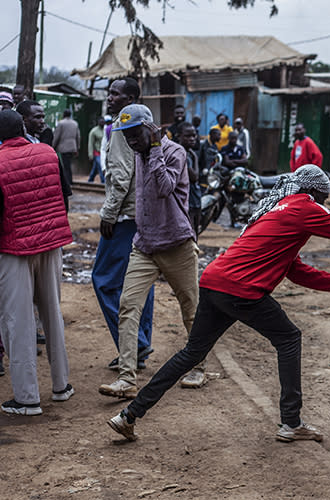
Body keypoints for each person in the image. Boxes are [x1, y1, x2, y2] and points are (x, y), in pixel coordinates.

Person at [106, 164, 330, 442]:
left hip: (214, 282)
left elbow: (298, 272)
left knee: (191, 353)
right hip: (241, 291)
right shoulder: (306, 207)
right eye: (326, 199)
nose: (325, 205)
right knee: (289, 338)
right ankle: (291, 423)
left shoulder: (276, 210)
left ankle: (130, 414)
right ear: (317, 193)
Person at [98, 103, 204, 400]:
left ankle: (199, 366)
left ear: (151, 128)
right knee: (128, 305)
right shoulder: (137, 153)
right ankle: (127, 378)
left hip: (177, 244)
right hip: (144, 245)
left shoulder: (174, 153)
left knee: (191, 309)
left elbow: (163, 187)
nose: (131, 141)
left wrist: (156, 148)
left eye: (135, 134)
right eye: (126, 136)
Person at [0, 109, 74, 415]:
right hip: (51, 244)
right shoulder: (48, 153)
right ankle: (61, 386)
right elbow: (65, 194)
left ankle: (28, 398)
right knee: (51, 313)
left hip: (14, 249)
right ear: (23, 129)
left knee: (18, 322)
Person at [92, 78, 156, 376]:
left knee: (104, 279)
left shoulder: (122, 126)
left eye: (115, 93)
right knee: (141, 282)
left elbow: (121, 175)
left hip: (124, 218)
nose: (109, 97)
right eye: (110, 92)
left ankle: (136, 343)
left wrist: (108, 213)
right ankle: (139, 347)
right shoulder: (144, 124)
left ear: (130, 98)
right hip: (142, 214)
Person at [176, 122, 202, 236]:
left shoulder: (188, 153)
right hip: (188, 201)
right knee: (190, 234)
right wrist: (196, 157)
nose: (192, 139)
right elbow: (194, 177)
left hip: (195, 200)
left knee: (195, 231)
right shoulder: (183, 154)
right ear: (179, 136)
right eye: (188, 136)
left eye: (194, 136)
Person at [53, 109, 80, 186]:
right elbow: (78, 136)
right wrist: (77, 147)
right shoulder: (75, 123)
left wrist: (53, 146)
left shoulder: (61, 123)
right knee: (68, 164)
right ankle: (70, 180)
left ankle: (68, 181)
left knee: (65, 165)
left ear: (63, 115)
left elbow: (57, 136)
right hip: (72, 147)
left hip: (63, 148)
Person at [87, 116, 106, 183]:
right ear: (98, 122)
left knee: (95, 168)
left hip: (104, 152)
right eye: (101, 121)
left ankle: (90, 180)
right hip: (97, 153)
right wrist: (90, 155)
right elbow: (90, 143)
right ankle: (103, 181)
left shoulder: (106, 130)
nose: (102, 123)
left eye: (103, 121)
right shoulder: (94, 131)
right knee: (101, 167)